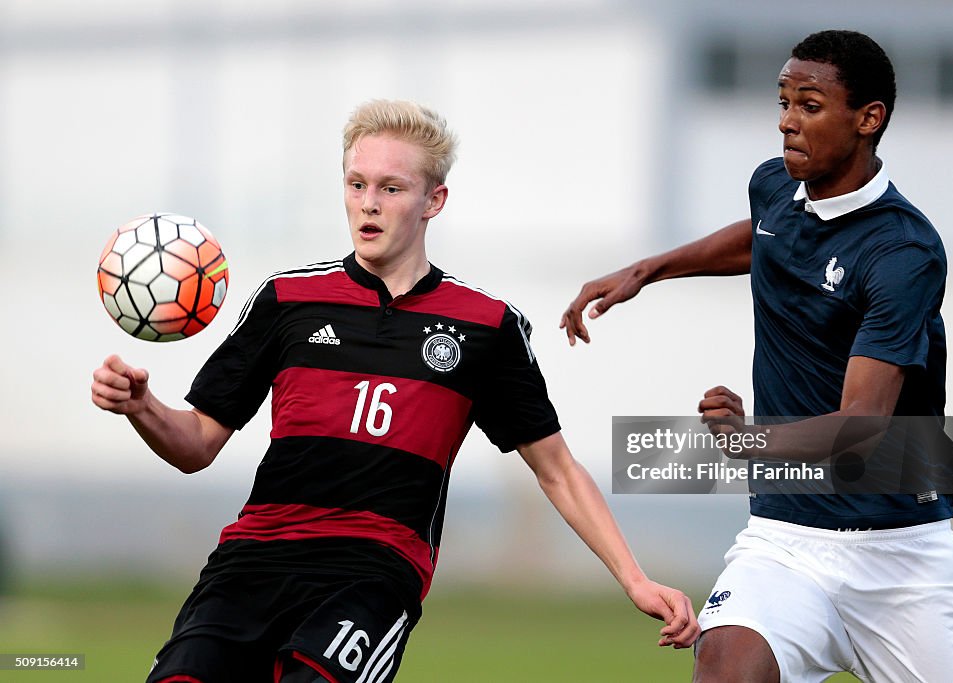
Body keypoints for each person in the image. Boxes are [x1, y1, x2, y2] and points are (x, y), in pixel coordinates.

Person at [92, 99, 699, 683]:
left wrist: (635, 579)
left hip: (374, 571)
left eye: (390, 188)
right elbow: (196, 443)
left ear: (434, 200)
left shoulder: (484, 327)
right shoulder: (286, 302)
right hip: (253, 557)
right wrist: (142, 407)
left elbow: (558, 470)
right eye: (356, 185)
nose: (368, 205)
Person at [561, 30, 953, 683]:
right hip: (784, 540)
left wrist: (747, 441)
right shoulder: (775, 187)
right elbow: (764, 240)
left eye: (810, 105)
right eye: (783, 100)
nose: (786, 121)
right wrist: (648, 269)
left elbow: (862, 428)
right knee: (727, 665)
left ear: (868, 118)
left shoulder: (902, 252)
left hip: (901, 552)